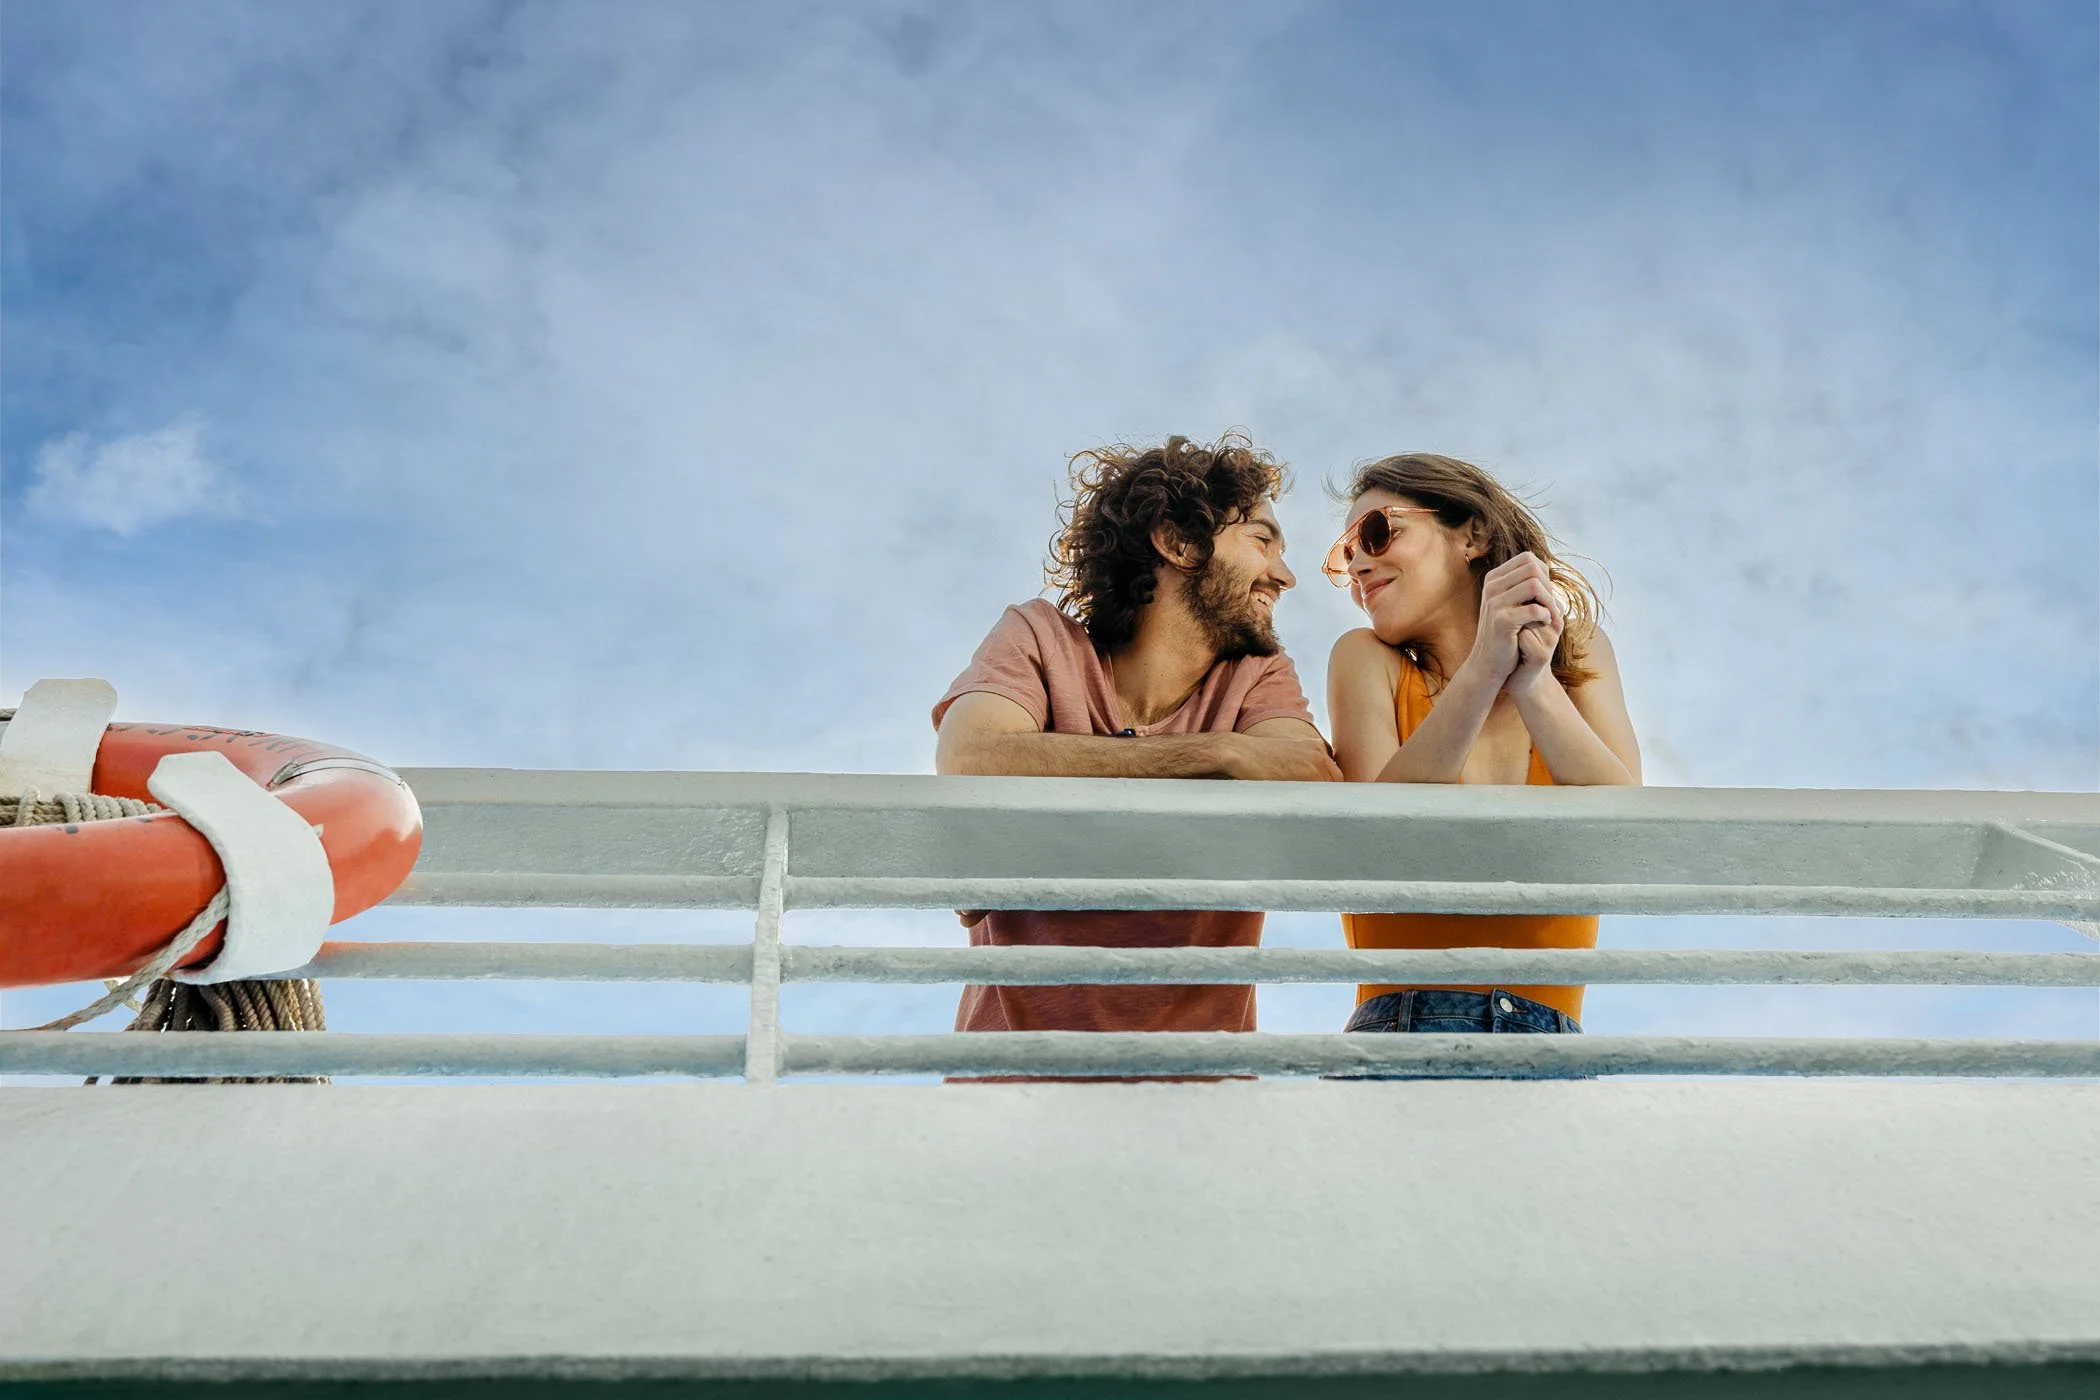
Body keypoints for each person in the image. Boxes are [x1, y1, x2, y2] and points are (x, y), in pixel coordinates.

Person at [933, 433, 1340, 1036]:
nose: (1285, 577)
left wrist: (1037, 810)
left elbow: (1310, 782)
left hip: (1198, 1100)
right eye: (1261, 540)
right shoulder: (1039, 636)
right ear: (1177, 543)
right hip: (1013, 1092)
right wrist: (1222, 754)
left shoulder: (1259, 675)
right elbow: (973, 757)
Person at [1324, 453, 1641, 1039]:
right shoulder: (1363, 659)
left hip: (1551, 1039)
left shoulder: (1577, 656)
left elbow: (1625, 824)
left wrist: (1531, 681)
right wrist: (1484, 667)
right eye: (1346, 557)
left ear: (1473, 534)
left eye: (1375, 533)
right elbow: (1373, 836)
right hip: (1403, 1023)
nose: (1360, 567)